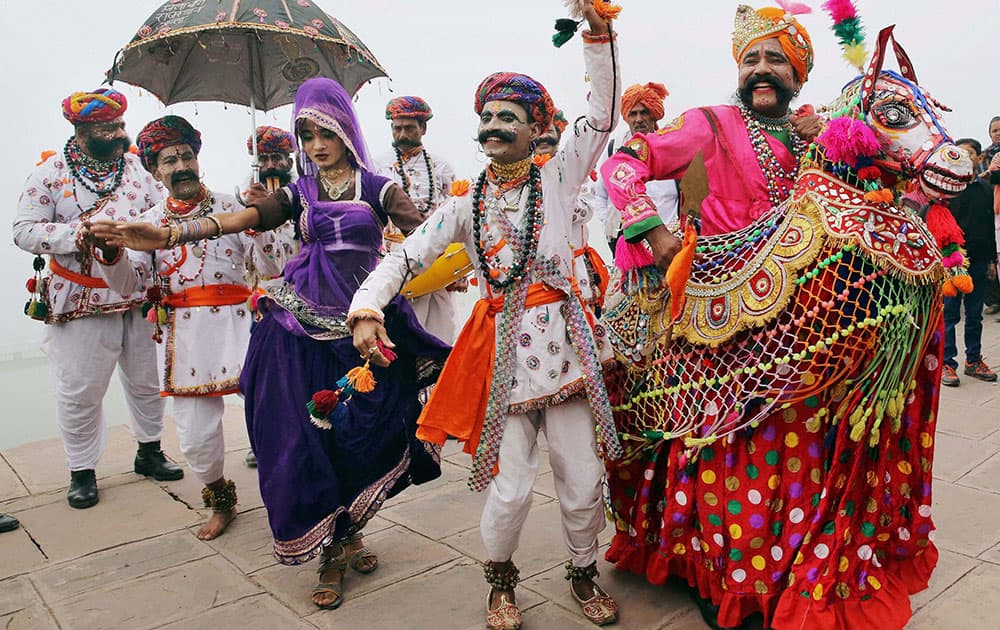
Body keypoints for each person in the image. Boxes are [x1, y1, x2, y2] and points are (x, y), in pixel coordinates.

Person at [91, 77, 449, 611]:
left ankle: (351, 528)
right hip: (297, 331)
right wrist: (167, 236)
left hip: (363, 328)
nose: (316, 144)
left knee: (362, 434)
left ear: (345, 129)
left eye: (324, 131)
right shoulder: (297, 194)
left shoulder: (379, 188)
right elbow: (236, 220)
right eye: (306, 134)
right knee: (307, 437)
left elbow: (431, 236)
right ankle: (331, 545)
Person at [348, 3, 621, 628]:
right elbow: (407, 257)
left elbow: (602, 115)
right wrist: (366, 306)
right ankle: (501, 580)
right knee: (511, 488)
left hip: (570, 357)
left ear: (536, 129)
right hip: (505, 367)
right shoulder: (462, 206)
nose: (494, 126)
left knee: (582, 483)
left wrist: (597, 34)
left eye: (509, 118)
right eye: (488, 118)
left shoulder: (558, 180)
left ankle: (582, 571)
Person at [600, 5, 847, 629]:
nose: (761, 71)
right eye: (751, 60)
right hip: (716, 324)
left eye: (776, 61)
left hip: (801, 323)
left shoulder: (816, 139)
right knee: (725, 454)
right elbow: (624, 163)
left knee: (794, 451)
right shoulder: (713, 122)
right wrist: (650, 228)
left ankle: (785, 565)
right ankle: (725, 578)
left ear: (800, 74)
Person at [89, 115, 293, 539]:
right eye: (169, 160)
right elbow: (130, 286)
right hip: (185, 339)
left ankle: (293, 496)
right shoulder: (147, 221)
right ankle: (221, 498)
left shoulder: (233, 206)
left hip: (244, 327)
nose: (180, 165)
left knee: (276, 420)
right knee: (196, 440)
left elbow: (275, 266)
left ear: (198, 158)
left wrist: (261, 222)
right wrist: (111, 255)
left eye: (186, 156)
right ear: (153, 170)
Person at [13, 88, 182, 510]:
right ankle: (82, 471)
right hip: (79, 300)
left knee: (147, 381)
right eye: (110, 128)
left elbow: (164, 214)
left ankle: (149, 451)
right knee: (80, 390)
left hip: (140, 292)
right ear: (83, 129)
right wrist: (78, 235)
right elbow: (23, 230)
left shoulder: (140, 172)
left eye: (121, 125)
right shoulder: (50, 174)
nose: (121, 133)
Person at [376, 96, 461, 343]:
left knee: (439, 334)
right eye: (397, 128)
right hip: (391, 259)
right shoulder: (377, 165)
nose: (402, 134)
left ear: (423, 129)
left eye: (409, 128)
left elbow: (456, 213)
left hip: (434, 262)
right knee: (396, 338)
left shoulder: (441, 167)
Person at [242, 125, 299, 468]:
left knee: (297, 377)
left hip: (304, 298)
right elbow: (268, 262)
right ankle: (260, 440)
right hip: (264, 301)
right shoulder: (245, 203)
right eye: (265, 158)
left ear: (290, 159)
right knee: (261, 381)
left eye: (279, 157)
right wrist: (260, 214)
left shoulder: (303, 197)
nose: (273, 163)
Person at [593, 82, 680, 252]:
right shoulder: (613, 150)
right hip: (629, 246)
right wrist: (610, 226)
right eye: (633, 114)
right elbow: (600, 195)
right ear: (627, 117)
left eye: (644, 112)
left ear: (654, 115)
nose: (639, 119)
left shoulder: (672, 149)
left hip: (670, 243)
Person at [940, 138, 998, 385]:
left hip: (978, 261)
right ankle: (946, 363)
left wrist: (992, 260)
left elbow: (989, 227)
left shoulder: (984, 189)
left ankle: (973, 361)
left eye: (970, 153)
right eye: (960, 152)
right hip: (952, 263)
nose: (965, 156)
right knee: (950, 315)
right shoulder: (946, 190)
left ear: (977, 157)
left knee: (975, 315)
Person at [982, 117, 1000, 315]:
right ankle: (994, 299)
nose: (997, 133)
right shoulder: (983, 156)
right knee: (992, 254)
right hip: (989, 208)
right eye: (994, 130)